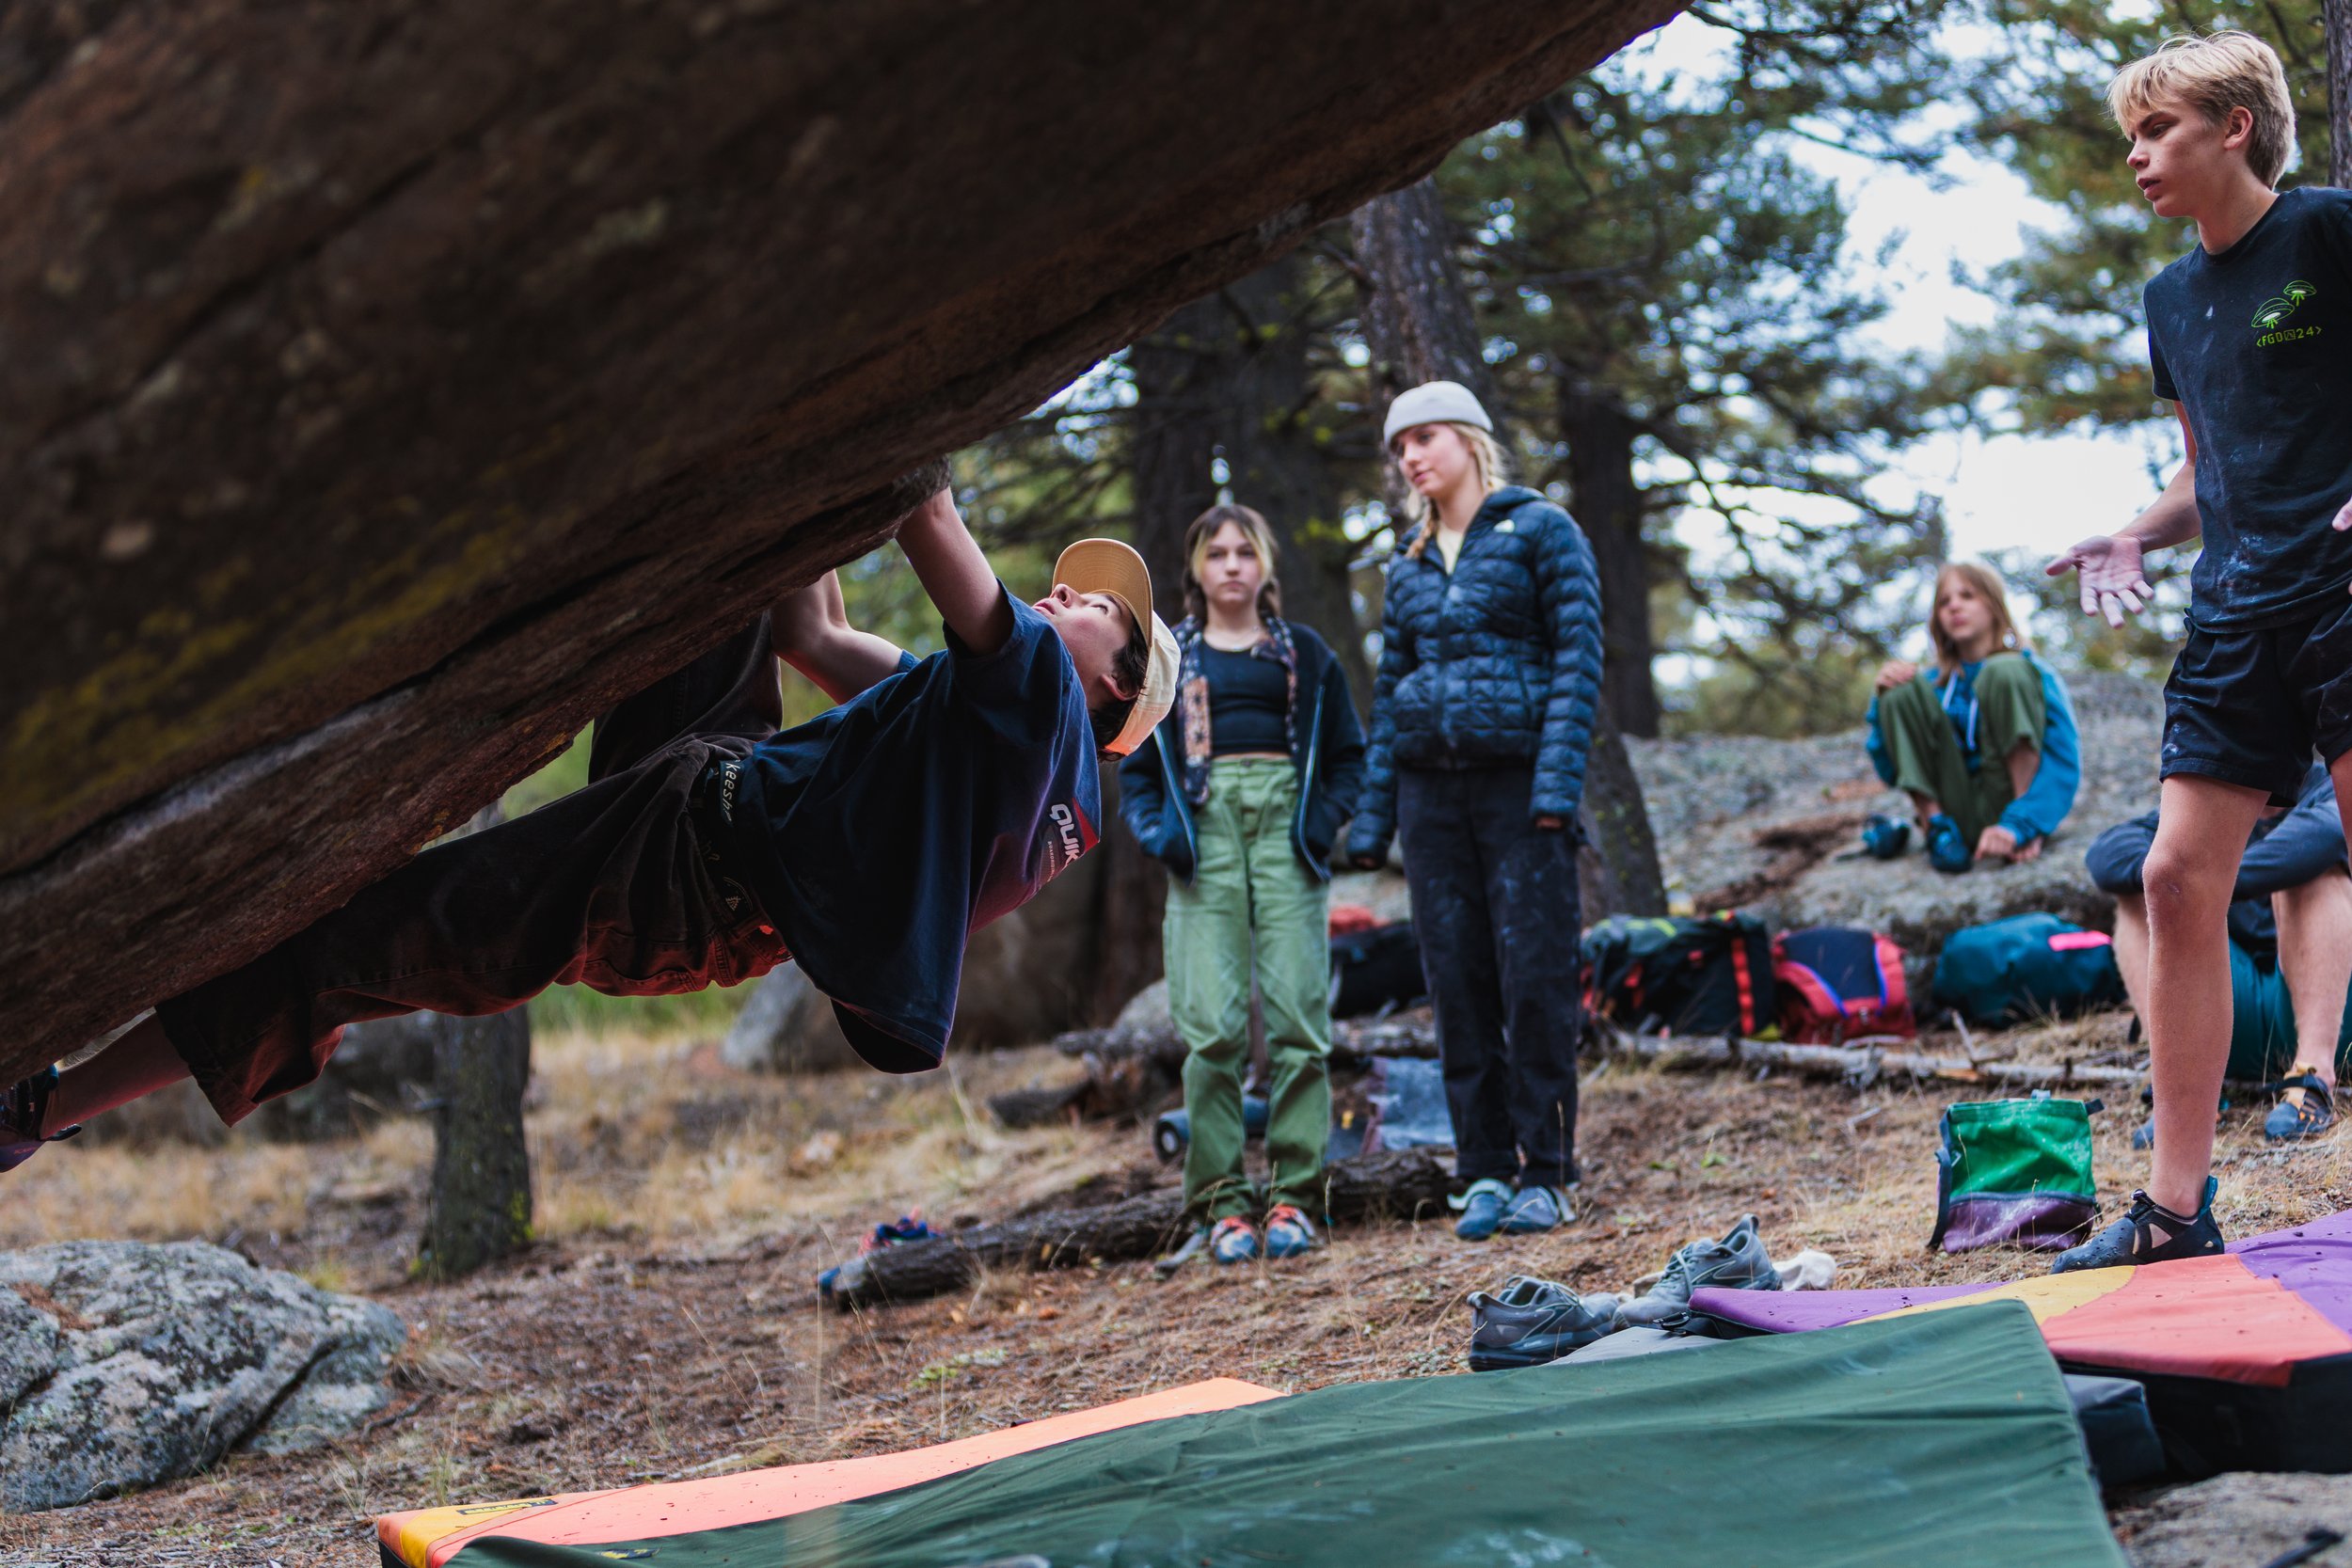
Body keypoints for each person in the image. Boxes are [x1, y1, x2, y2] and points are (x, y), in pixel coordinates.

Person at [2, 489, 1179, 1168]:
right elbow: (813, 636)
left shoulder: (1034, 702)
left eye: (1098, 613)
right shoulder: (1015, 767)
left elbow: (919, 495)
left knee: (352, 943)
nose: (1065, 595)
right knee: (735, 550)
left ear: (1112, 693)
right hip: (709, 802)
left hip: (674, 876)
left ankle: (37, 1112)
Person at [2044, 32, 2352, 1270]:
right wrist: (2134, 528)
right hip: (2234, 610)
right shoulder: (2170, 298)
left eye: (2158, 129)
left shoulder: (2330, 231)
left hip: (2345, 585)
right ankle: (2174, 1211)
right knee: (2173, 878)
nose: (2136, 156)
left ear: (2235, 125)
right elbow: (2203, 465)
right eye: (2131, 134)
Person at [1345, 380, 1602, 1242]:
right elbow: (1391, 693)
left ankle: (1549, 1170)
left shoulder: (1540, 529)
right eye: (1400, 446)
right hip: (1430, 798)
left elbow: (1577, 661)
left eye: (1425, 438)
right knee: (1455, 981)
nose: (1413, 456)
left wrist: (1555, 791)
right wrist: (1374, 819)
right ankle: (1483, 1170)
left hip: (1520, 787)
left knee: (1534, 977)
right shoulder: (1409, 562)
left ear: (1468, 437)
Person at [1118, 504, 1366, 1265]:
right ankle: (1222, 1204)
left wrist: (1316, 826)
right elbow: (1134, 766)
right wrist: (1166, 836)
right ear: (1195, 568)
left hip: (1287, 836)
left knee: (1298, 1022)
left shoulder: (1307, 655)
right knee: (1213, 1028)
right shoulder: (1168, 659)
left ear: (1265, 566)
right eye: (1216, 552)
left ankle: (1295, 1194)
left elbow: (1351, 757)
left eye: (1244, 552)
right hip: (1206, 838)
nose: (1231, 564)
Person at [2089, 766, 2352, 1141]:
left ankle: (2313, 1081)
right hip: (2223, 1017)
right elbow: (2107, 854)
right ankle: (2185, 1092)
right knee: (2141, 901)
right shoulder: (2207, 803)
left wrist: (2204, 879)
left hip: (2337, 1016)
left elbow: (2327, 833)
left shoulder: (2326, 785)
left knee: (2316, 872)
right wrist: (2169, 878)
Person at [1866, 562, 2081, 874]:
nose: (1954, 605)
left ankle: (2021, 824)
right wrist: (1881, 698)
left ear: (1993, 604)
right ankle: (1935, 826)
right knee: (1899, 686)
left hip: (2009, 807)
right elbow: (1890, 770)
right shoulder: (1930, 686)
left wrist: (2028, 824)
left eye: (1967, 595)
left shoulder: (2031, 671)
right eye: (1944, 601)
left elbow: (2063, 755)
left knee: (2004, 669)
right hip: (1953, 813)